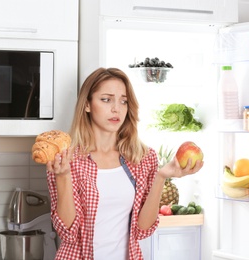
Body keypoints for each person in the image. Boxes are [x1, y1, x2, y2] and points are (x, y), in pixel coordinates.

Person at [46, 67, 203, 259]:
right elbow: (68, 232)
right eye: (106, 99)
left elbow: (143, 230)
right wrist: (63, 176)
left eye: (123, 101)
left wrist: (161, 176)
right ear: (87, 104)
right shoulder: (66, 159)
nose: (116, 108)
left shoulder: (143, 158)